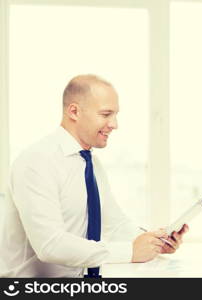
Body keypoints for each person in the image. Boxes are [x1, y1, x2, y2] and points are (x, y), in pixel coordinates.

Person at [0, 75, 188, 277]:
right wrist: (131, 251)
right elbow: (50, 245)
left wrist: (154, 243)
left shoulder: (90, 163)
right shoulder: (36, 161)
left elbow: (115, 224)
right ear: (74, 111)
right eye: (106, 114)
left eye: (115, 115)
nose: (114, 124)